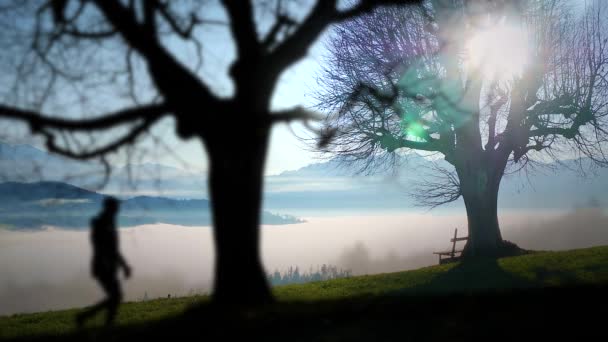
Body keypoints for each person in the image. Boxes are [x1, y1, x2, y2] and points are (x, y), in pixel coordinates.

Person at [76, 197, 131, 328]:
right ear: (110, 208)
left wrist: (124, 265)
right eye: (116, 206)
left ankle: (102, 323)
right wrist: (111, 264)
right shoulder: (100, 223)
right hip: (103, 266)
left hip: (109, 266)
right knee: (116, 296)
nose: (118, 209)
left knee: (115, 297)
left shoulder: (110, 222)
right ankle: (87, 318)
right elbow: (99, 246)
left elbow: (114, 249)